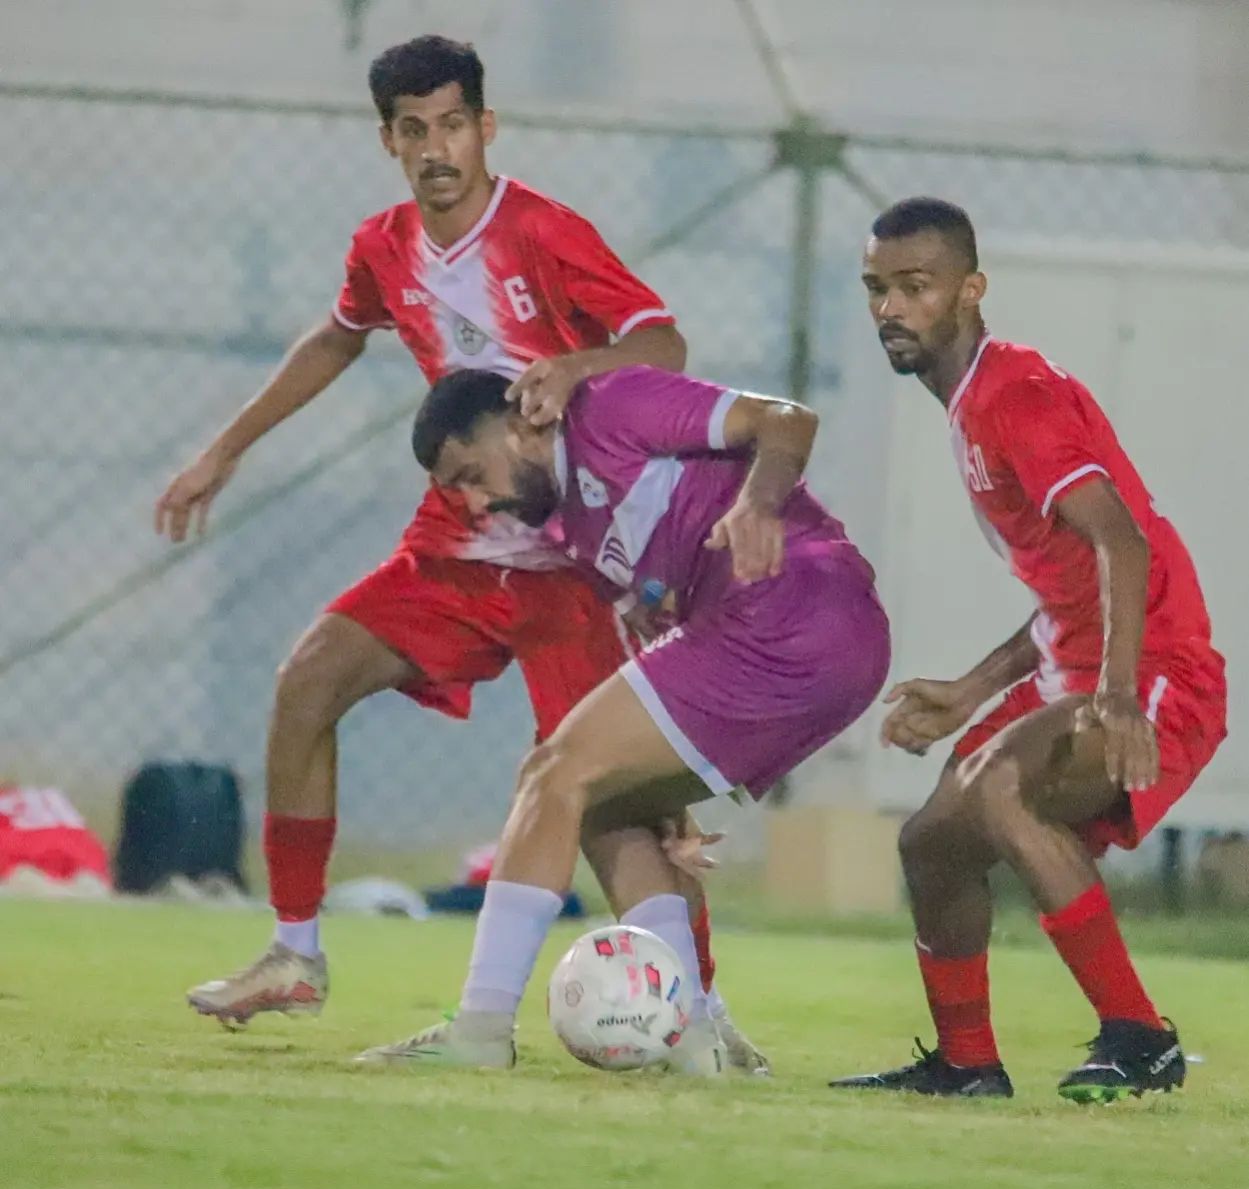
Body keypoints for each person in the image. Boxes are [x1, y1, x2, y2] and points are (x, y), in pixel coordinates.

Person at [155, 35, 761, 1068]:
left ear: (485, 127)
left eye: (450, 126)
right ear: (387, 140)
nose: (435, 149)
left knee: (613, 802)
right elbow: (337, 335)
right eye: (412, 130)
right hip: (457, 548)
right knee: (307, 680)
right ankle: (296, 951)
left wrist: (576, 368)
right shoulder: (383, 248)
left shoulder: (542, 230)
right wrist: (224, 448)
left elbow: (662, 343)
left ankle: (698, 1014)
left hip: (576, 560)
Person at [353, 365, 889, 1070]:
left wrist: (758, 506)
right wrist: (665, 800)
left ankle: (480, 1030)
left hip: (792, 609)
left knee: (553, 772)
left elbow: (788, 420)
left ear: (519, 425)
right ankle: (692, 1042)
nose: (479, 503)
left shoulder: (609, 407)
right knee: (598, 803)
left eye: (473, 475)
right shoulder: (575, 529)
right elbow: (656, 674)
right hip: (820, 654)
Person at [829, 198, 1226, 1102]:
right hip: (1074, 672)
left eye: (915, 286)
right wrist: (971, 690)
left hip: (1155, 672)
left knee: (1001, 786)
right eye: (877, 289)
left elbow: (1119, 542)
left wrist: (1116, 695)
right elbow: (1068, 590)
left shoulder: (1015, 394)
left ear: (970, 290)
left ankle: (1138, 1035)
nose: (890, 308)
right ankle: (967, 1065)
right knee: (931, 842)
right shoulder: (971, 405)